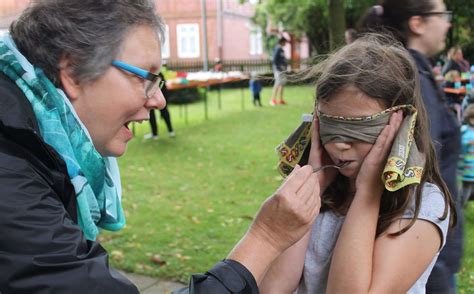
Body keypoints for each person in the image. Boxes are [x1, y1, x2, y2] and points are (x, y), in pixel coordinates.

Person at [0, 1, 322, 293]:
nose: (159, 99)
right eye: (146, 77)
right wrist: (264, 239)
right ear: (72, 72)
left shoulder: (33, 139)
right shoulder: (10, 168)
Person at [263, 34, 456, 294]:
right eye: (332, 125)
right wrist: (311, 189)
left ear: (400, 125)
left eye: (359, 128)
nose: (340, 145)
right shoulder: (321, 194)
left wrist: (368, 193)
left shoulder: (423, 207)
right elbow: (273, 289)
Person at [357, 1, 463, 293]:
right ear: (417, 24)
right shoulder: (411, 80)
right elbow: (417, 176)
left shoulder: (413, 73)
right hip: (422, 247)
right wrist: (434, 256)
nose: (448, 23)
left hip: (426, 243)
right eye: (442, 15)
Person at [144, 72, 175, 139]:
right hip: (152, 78)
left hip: (154, 78)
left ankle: (170, 131)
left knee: (163, 109)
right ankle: (155, 133)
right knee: (152, 111)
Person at [460, 104, 474, 207]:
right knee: (466, 187)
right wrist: (468, 143)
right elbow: (461, 144)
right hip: (468, 168)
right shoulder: (465, 130)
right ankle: (460, 205)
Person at [270, 37, 288, 106]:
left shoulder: (281, 49)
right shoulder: (277, 49)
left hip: (282, 70)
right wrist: (279, 67)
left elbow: (283, 60)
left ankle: (280, 100)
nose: (285, 43)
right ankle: (273, 100)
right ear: (282, 41)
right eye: (285, 42)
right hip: (278, 70)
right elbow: (274, 60)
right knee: (277, 84)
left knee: (282, 84)